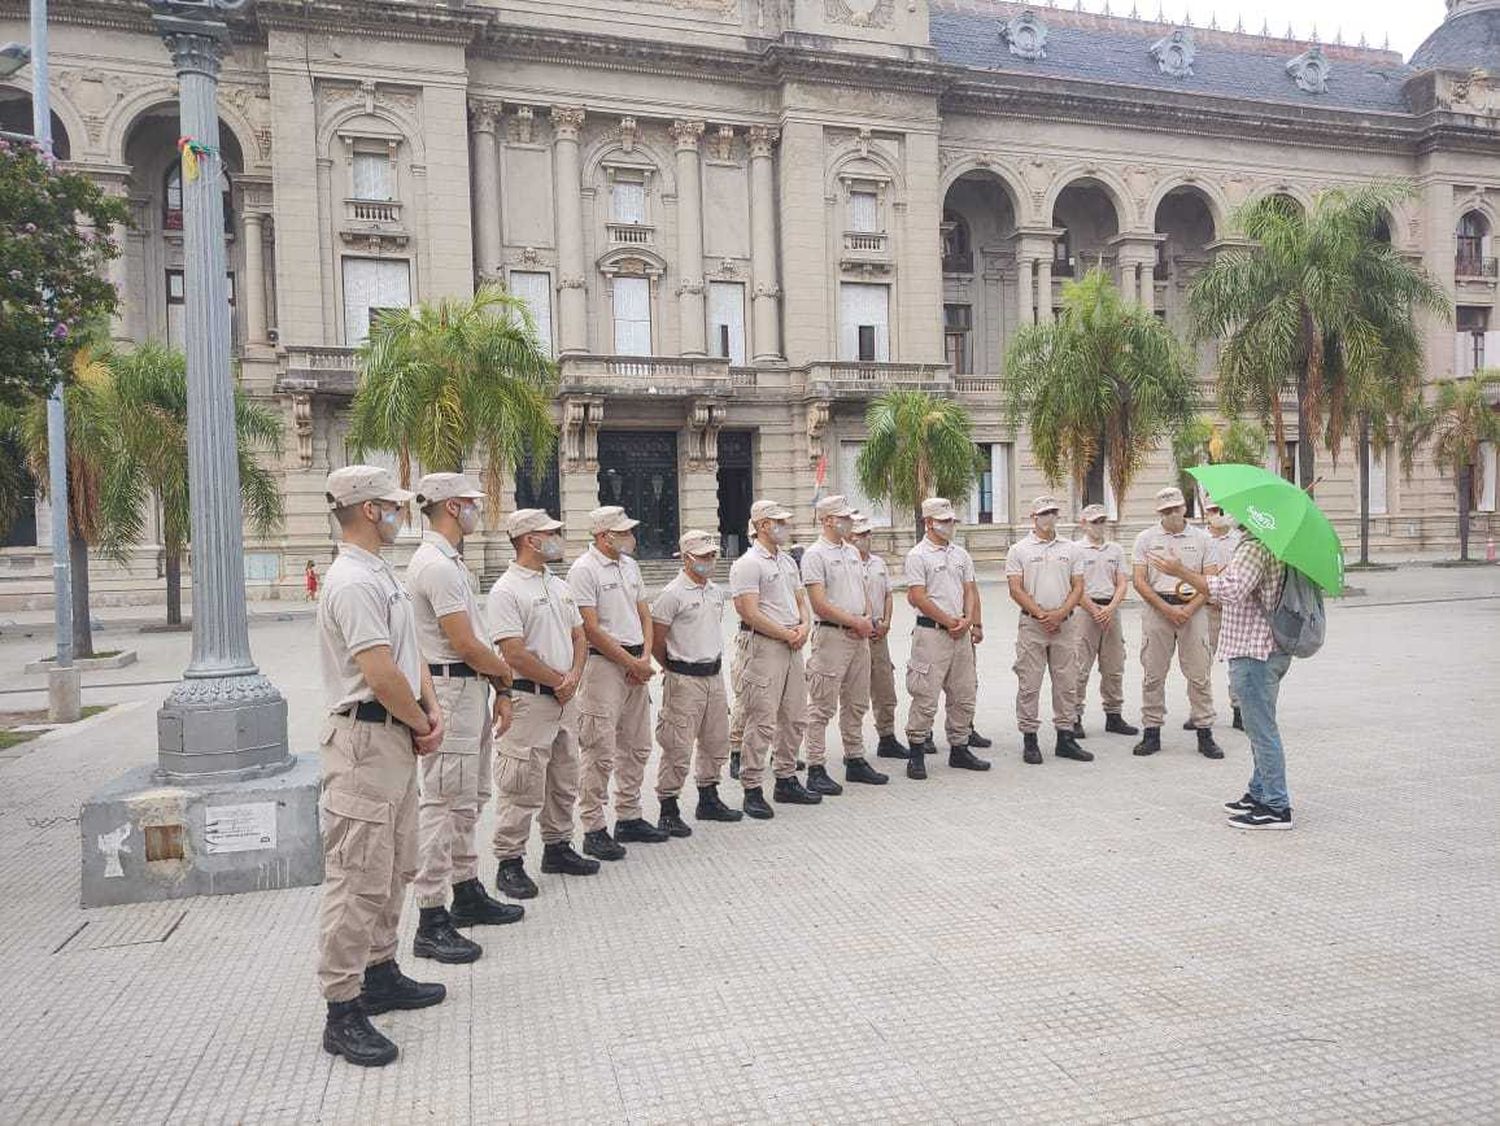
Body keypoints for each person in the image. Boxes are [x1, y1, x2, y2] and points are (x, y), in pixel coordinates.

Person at [315, 465, 448, 1069]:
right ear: (369, 510)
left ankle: (381, 970)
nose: (402, 512)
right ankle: (342, 1009)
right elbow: (376, 670)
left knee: (396, 864)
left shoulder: (381, 574)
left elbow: (408, 654)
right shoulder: (349, 580)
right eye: (395, 505)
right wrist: (422, 721)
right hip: (365, 742)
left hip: (396, 735)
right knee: (357, 876)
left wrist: (430, 708)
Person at [405, 473, 522, 967]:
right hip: (452, 686)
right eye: (472, 503)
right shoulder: (436, 565)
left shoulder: (451, 562)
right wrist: (506, 676)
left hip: (467, 686)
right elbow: (466, 643)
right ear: (453, 507)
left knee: (467, 800)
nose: (478, 510)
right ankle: (432, 916)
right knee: (443, 802)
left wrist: (494, 684)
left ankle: (466, 887)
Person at [487, 509, 599, 898]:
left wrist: (574, 678)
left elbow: (580, 636)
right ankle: (510, 861)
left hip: (564, 699)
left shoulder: (558, 584)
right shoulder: (506, 590)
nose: (558, 536)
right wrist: (558, 681)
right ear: (529, 540)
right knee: (521, 782)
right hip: (530, 700)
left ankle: (558, 846)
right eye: (550, 532)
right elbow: (513, 653)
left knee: (564, 777)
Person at [1149, 537, 1292, 829]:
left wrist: (1182, 572)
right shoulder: (1274, 545)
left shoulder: (1255, 547)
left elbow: (1232, 591)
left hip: (1255, 651)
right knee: (1258, 728)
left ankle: (1277, 807)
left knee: (1262, 732)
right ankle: (1259, 792)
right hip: (1269, 649)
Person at [569, 506, 668, 860]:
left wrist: (644, 658)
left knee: (637, 745)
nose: (630, 537)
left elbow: (644, 612)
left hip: (635, 664)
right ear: (603, 536)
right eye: (623, 532)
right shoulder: (583, 570)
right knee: (599, 750)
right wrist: (631, 662)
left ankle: (629, 815)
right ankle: (594, 827)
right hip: (604, 667)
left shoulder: (630, 565)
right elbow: (590, 628)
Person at [728, 499, 820, 818]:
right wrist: (785, 633)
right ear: (763, 525)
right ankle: (752, 786)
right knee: (762, 719)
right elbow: (748, 611)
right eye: (780, 521)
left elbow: (800, 599)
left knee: (795, 716)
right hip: (764, 646)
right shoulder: (748, 563)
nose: (786, 526)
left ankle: (786, 777)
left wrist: (804, 625)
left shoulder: (787, 561)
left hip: (792, 644)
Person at [650, 529, 743, 833]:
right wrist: (674, 667)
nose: (709, 560)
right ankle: (668, 806)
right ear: (687, 558)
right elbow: (657, 640)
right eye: (703, 556)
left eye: (712, 555)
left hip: (713, 676)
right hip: (684, 678)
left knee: (715, 741)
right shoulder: (671, 594)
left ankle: (708, 797)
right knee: (677, 746)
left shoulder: (715, 591)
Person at [799, 494, 888, 793]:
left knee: (856, 702)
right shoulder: (815, 555)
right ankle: (815, 766)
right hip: (833, 636)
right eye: (844, 518)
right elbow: (819, 604)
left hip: (858, 635)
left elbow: (862, 591)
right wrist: (855, 622)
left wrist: (866, 619)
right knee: (822, 705)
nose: (849, 522)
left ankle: (855, 758)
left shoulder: (850, 552)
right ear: (827, 520)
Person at [1130, 486, 1223, 759]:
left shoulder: (1203, 539)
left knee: (1199, 674)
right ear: (1159, 512)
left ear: (1185, 507)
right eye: (1166, 510)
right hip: (1157, 609)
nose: (1172, 514)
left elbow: (1210, 580)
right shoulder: (1146, 539)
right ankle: (1151, 730)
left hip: (1193, 609)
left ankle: (1204, 730)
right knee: (1153, 674)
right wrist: (1166, 609)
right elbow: (1139, 580)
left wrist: (1188, 609)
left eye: (1176, 508)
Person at [903, 497, 990, 778]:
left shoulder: (960, 555)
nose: (949, 526)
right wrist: (949, 621)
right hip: (931, 633)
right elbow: (918, 596)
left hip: (960, 633)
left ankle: (960, 747)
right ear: (928, 523)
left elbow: (970, 590)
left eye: (952, 521)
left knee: (963, 693)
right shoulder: (918, 555)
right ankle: (916, 751)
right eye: (944, 521)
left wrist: (968, 620)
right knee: (925, 695)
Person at [1005, 496, 1089, 765]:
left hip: (1064, 624)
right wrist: (1042, 615)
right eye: (1044, 513)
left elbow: (1078, 586)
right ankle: (1030, 738)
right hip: (1033, 624)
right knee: (1029, 683)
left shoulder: (1071, 548)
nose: (1049, 518)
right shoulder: (1019, 549)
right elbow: (1015, 588)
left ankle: (1065, 736)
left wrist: (1060, 613)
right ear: (1034, 517)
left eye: (1053, 512)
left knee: (1066, 682)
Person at [1072, 503, 1139, 739]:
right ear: (1083, 524)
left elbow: (1122, 582)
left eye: (1102, 521)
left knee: (1114, 665)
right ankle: (1074, 716)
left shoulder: (1115, 550)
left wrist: (1110, 608)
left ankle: (1114, 714)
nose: (1099, 526)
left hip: (1111, 609)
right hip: (1084, 611)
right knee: (1079, 666)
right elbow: (1075, 587)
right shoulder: (1075, 550)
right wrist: (1093, 609)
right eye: (1094, 522)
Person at [850, 514, 908, 762]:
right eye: (861, 535)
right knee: (853, 693)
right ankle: (852, 747)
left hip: (878, 634)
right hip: (854, 635)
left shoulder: (878, 564)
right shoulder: (845, 563)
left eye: (868, 534)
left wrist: (886, 623)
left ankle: (887, 737)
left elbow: (887, 595)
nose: (867, 539)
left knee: (885, 687)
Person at [1200, 502, 1246, 732]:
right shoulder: (1199, 539)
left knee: (1236, 664)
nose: (1216, 514)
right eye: (1211, 510)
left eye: (1220, 509)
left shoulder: (1240, 539)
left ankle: (1239, 710)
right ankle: (1201, 712)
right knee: (1200, 663)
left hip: (1235, 609)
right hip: (1206, 608)